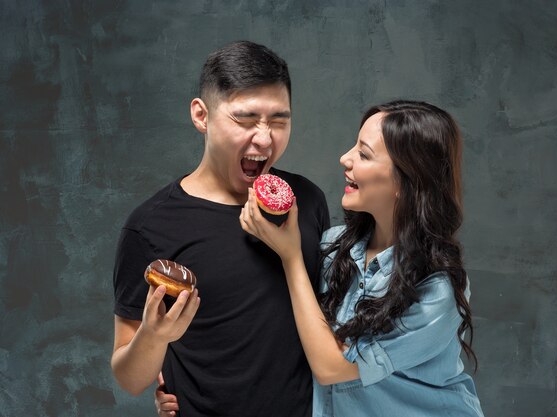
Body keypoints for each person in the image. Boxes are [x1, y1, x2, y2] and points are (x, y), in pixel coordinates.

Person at [111, 41, 329, 417]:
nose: (265, 138)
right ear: (201, 116)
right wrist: (154, 337)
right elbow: (130, 378)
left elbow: (331, 329)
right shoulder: (149, 227)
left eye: (279, 120)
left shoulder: (306, 201)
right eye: (245, 120)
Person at [237, 100, 484, 416]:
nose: (345, 158)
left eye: (364, 154)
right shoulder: (333, 246)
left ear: (405, 181)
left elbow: (333, 368)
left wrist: (291, 258)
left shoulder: (438, 290)